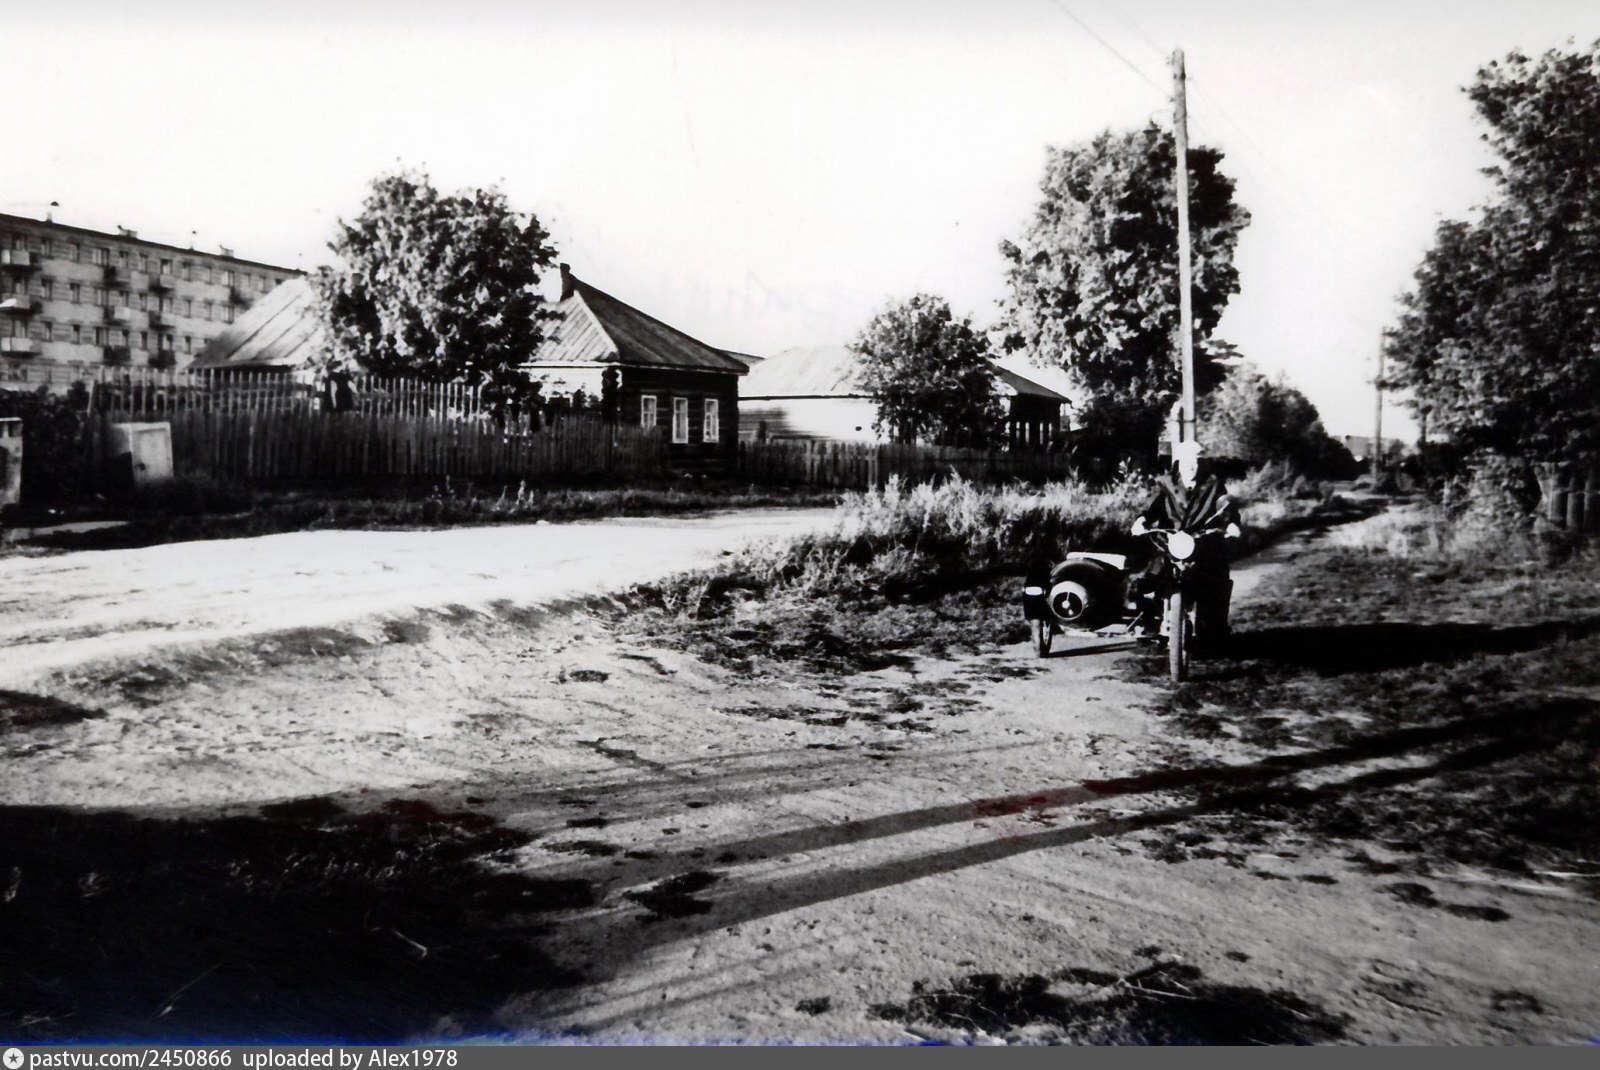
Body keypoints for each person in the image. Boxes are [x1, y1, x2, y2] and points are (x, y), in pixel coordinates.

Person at [1130, 440, 1242, 644]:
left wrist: (1232, 524)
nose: (1192, 467)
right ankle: (1149, 623)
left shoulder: (1213, 484)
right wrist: (1142, 520)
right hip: (1170, 541)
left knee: (1217, 578)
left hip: (1202, 542)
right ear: (1178, 462)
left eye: (1197, 462)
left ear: (1202, 463)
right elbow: (1151, 508)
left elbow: (1225, 507)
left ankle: (1214, 627)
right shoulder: (1165, 484)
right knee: (1150, 577)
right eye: (1187, 461)